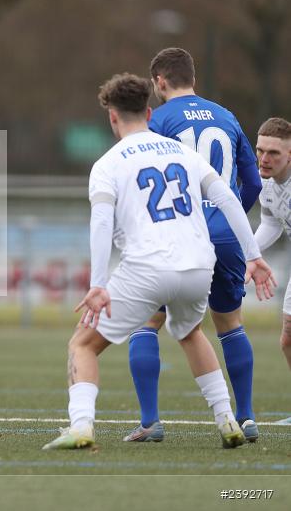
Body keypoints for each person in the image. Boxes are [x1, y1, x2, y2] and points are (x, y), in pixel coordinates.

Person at [42, 73, 275, 451]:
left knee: (82, 345)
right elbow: (230, 201)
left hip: (147, 267)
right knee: (189, 332)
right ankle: (227, 420)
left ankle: (81, 426)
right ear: (149, 112)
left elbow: (101, 223)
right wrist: (254, 256)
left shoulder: (108, 163)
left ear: (112, 118)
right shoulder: (183, 153)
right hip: (200, 265)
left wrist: (98, 283)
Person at [125, 47, 262, 443]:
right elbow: (251, 183)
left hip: (180, 236)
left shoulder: (158, 120)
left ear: (160, 82)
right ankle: (247, 416)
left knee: (146, 321)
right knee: (230, 325)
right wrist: (226, 217)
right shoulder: (227, 116)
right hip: (227, 235)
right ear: (194, 79)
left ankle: (150, 421)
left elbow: (148, 181)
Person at [250, 117, 291, 418]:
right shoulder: (265, 182)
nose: (264, 159)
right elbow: (271, 223)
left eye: (274, 153)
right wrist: (246, 254)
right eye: (260, 150)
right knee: (288, 339)